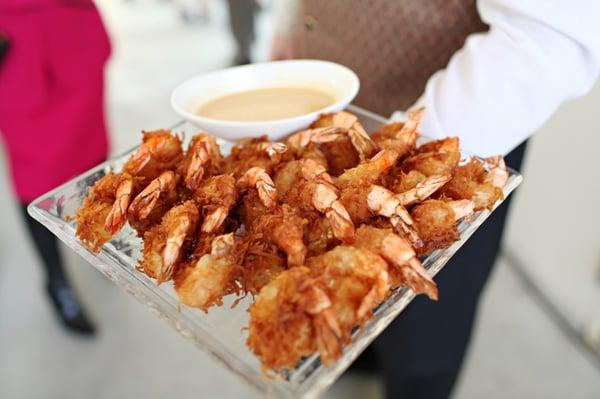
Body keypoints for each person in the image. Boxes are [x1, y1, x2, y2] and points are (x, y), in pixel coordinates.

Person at [271, 1, 600, 398]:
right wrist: (291, 22)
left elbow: (551, 37)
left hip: (457, 143)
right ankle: (357, 357)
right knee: (328, 294)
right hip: (324, 105)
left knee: (424, 342)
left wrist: (403, 157)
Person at [0, 0, 112, 335]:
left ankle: (100, 240)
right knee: (35, 174)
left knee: (91, 155)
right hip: (15, 41)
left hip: (70, 26)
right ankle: (56, 280)